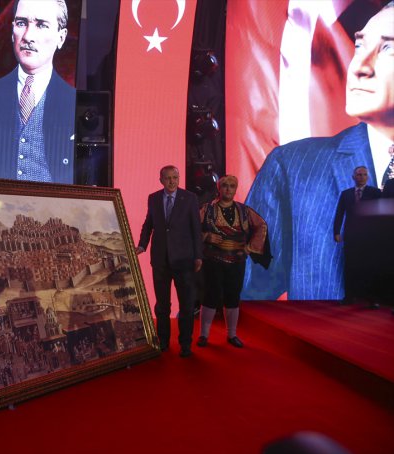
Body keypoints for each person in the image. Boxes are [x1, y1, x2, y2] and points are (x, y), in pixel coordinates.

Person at [243, 3, 394, 301]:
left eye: (389, 49)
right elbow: (241, 298)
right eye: (360, 45)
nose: (360, 67)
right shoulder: (292, 167)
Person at [0, 0, 76, 183]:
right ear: (12, 31)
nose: (28, 36)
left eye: (41, 25)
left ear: (61, 37)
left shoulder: (73, 102)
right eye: (21, 23)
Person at [136, 165, 203, 357]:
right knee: (162, 306)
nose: (172, 181)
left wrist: (198, 256)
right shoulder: (153, 198)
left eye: (175, 177)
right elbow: (148, 224)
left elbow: (196, 229)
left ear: (179, 178)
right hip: (160, 261)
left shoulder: (190, 198)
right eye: (168, 178)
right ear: (161, 180)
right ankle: (163, 342)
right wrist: (142, 245)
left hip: (185, 260)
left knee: (187, 306)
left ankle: (185, 345)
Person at [197, 176, 270, 349]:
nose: (228, 189)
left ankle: (232, 335)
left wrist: (250, 248)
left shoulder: (244, 211)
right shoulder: (207, 210)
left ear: (236, 189)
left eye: (232, 186)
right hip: (213, 261)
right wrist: (206, 236)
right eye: (225, 185)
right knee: (210, 296)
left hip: (237, 261)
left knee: (233, 296)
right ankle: (203, 335)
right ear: (218, 188)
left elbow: (261, 226)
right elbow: (191, 228)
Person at [333, 166, 381, 305]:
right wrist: (336, 232)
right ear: (353, 177)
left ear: (368, 177)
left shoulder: (375, 193)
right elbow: (339, 213)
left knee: (370, 267)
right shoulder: (346, 194)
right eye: (359, 174)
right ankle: (349, 296)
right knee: (350, 266)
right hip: (351, 236)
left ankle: (373, 298)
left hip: (370, 237)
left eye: (364, 174)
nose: (362, 177)